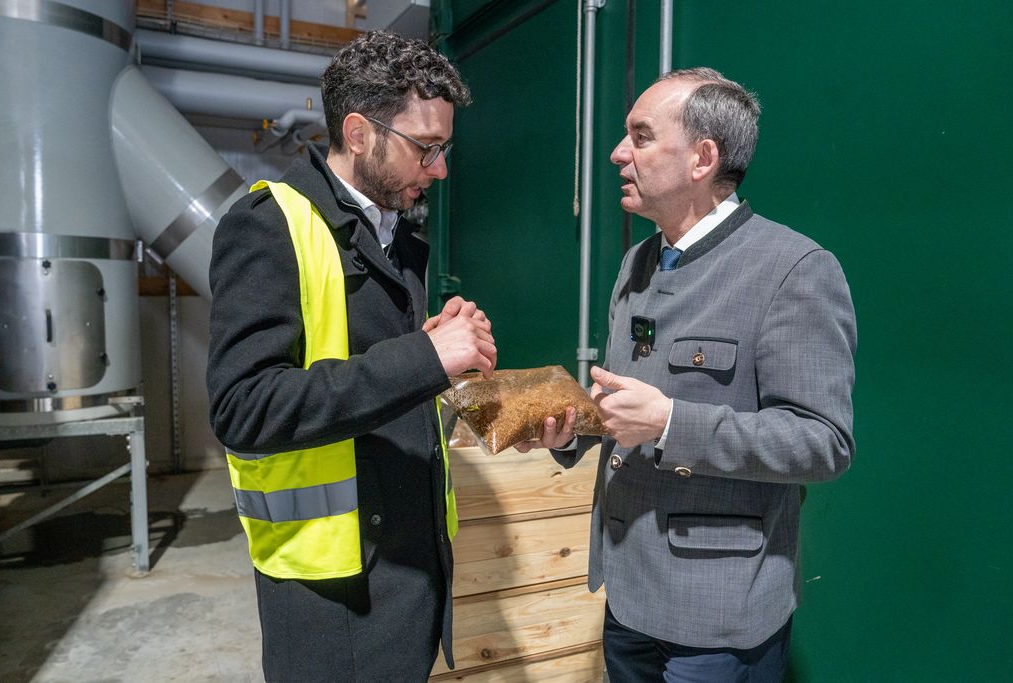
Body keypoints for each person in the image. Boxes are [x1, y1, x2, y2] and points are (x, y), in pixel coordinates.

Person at [517, 68, 856, 681]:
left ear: (703, 157)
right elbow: (625, 410)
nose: (620, 153)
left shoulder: (794, 269)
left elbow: (821, 444)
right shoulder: (636, 262)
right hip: (627, 593)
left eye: (641, 137)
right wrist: (569, 432)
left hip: (718, 617)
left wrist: (672, 422)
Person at [206, 31, 496, 682]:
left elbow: (361, 359)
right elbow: (243, 407)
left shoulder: (395, 232)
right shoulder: (268, 224)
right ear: (360, 134)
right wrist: (422, 356)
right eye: (428, 148)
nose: (440, 169)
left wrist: (435, 346)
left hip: (409, 575)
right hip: (335, 598)